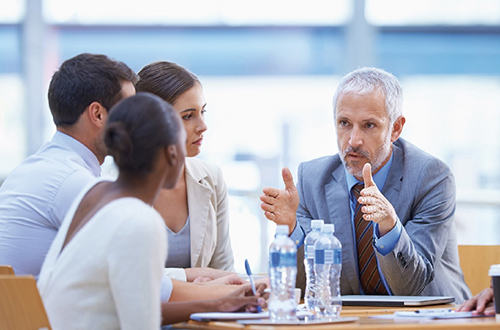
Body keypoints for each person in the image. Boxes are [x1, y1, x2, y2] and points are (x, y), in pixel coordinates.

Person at [260, 67, 471, 302]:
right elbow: (302, 288)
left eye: (369, 125)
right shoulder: (312, 179)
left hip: (434, 320)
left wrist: (389, 225)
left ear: (396, 128)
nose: (353, 140)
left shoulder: (432, 177)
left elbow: (411, 286)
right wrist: (291, 230)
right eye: (344, 123)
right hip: (353, 320)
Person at [38, 92, 185, 329]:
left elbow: (125, 308)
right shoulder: (140, 220)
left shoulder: (95, 191)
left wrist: (219, 304)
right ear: (172, 153)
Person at [0, 53, 137, 277]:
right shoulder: (74, 182)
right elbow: (130, 277)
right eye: (129, 111)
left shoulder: (34, 169)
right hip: (39, 311)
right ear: (98, 114)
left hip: (19, 309)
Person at [135, 61, 234, 282]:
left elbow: (223, 269)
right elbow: (124, 277)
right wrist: (190, 276)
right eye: (188, 116)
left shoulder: (211, 178)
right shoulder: (111, 186)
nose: (203, 125)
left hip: (201, 315)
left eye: (203, 111)